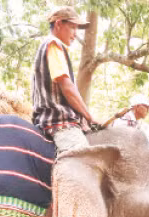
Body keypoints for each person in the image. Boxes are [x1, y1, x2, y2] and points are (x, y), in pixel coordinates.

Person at [32, 7, 100, 153]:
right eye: (72, 27)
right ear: (58, 24)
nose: (75, 34)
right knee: (83, 160)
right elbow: (67, 87)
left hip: (57, 119)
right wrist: (89, 117)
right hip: (58, 122)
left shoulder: (52, 47)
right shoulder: (54, 45)